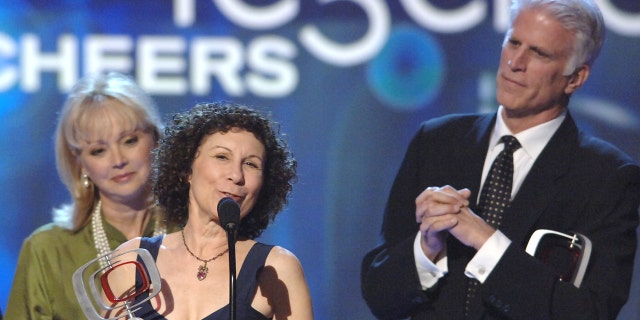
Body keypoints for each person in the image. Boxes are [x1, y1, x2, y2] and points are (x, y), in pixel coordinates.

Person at [361, 0, 640, 319]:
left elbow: (589, 312)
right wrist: (426, 249)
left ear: (575, 78)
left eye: (539, 53)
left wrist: (488, 242)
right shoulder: (437, 141)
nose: (515, 62)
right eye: (513, 42)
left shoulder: (607, 177)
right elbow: (379, 294)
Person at [104, 102, 313, 319]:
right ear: (187, 169)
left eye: (251, 164)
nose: (236, 175)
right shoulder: (131, 261)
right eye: (222, 157)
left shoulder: (276, 268)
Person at [5, 72, 174, 319]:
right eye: (98, 151)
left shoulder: (195, 233)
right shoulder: (47, 249)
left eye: (129, 141)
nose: (118, 160)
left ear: (155, 141)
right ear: (80, 164)